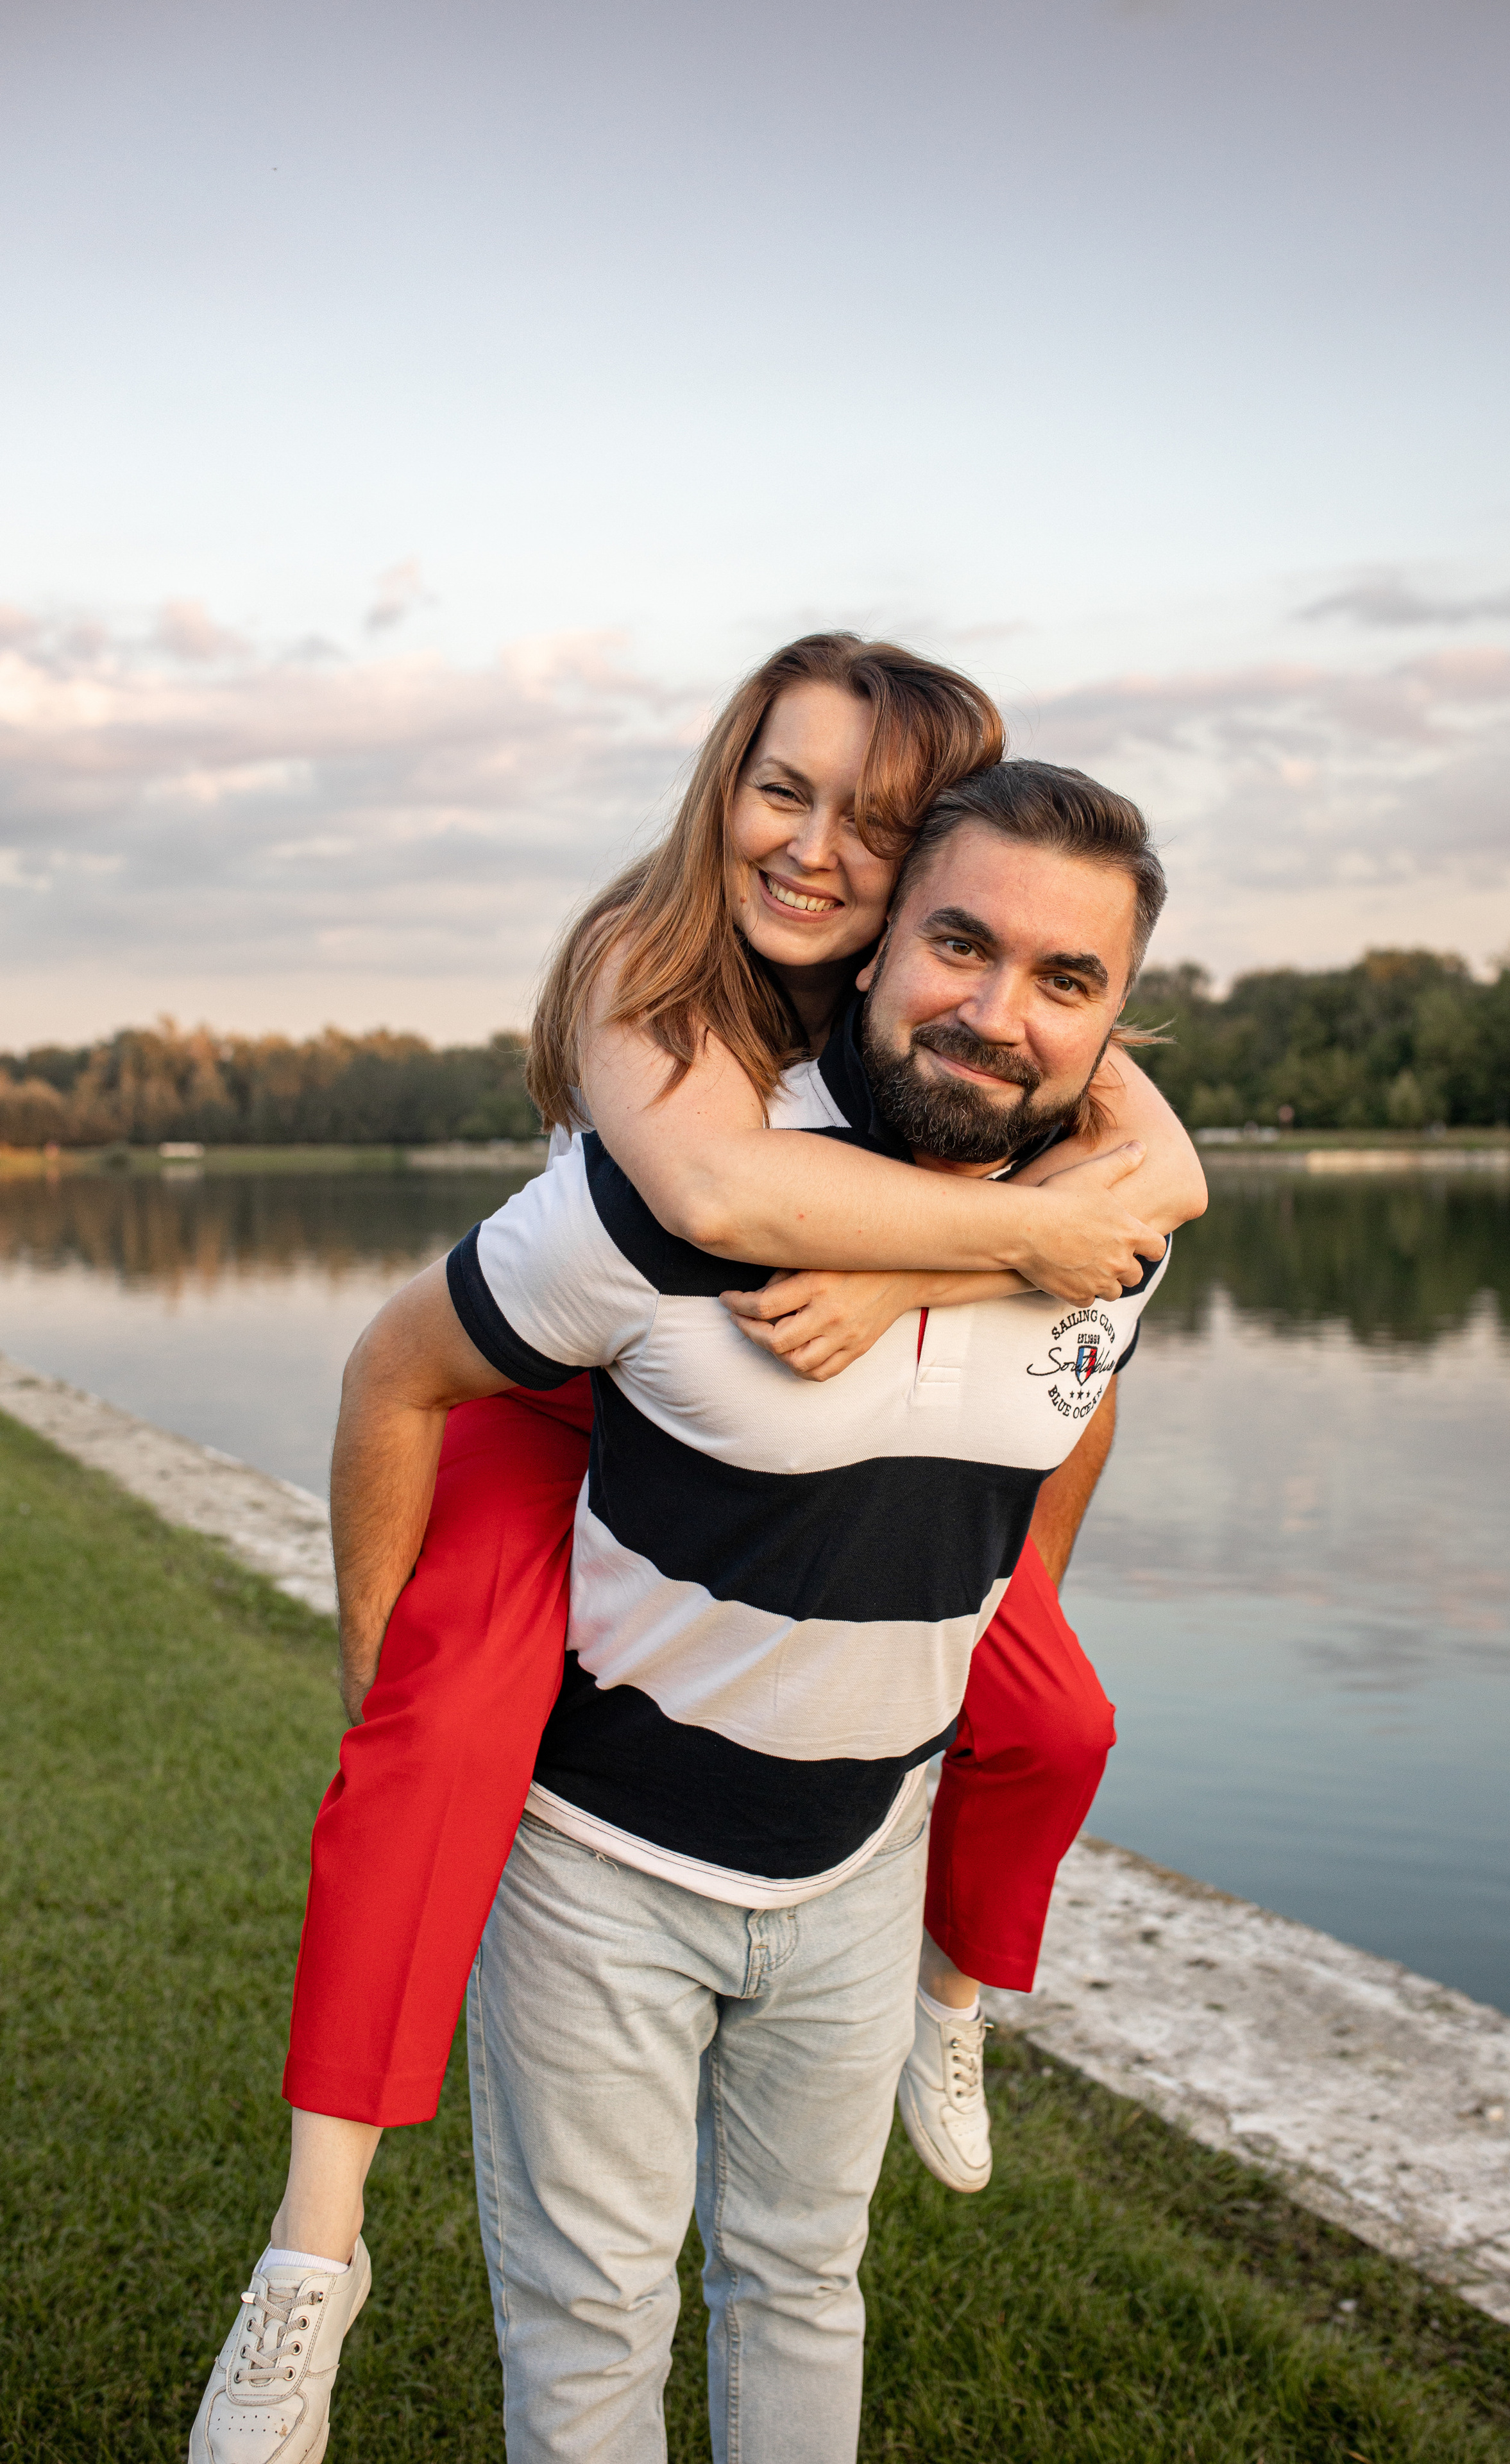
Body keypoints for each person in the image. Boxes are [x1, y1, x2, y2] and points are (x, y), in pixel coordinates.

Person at [189, 644, 1203, 2464]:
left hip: (839, 1762)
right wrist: (373, 1671)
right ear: (727, 785)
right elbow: (719, 1206)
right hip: (566, 1403)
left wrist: (941, 1285)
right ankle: (309, 2253)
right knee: (434, 1744)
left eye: (875, 821)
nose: (814, 849)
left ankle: (956, 1992)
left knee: (1051, 1716)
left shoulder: (1035, 1137)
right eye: (783, 788)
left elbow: (1154, 1193)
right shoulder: (643, 978)